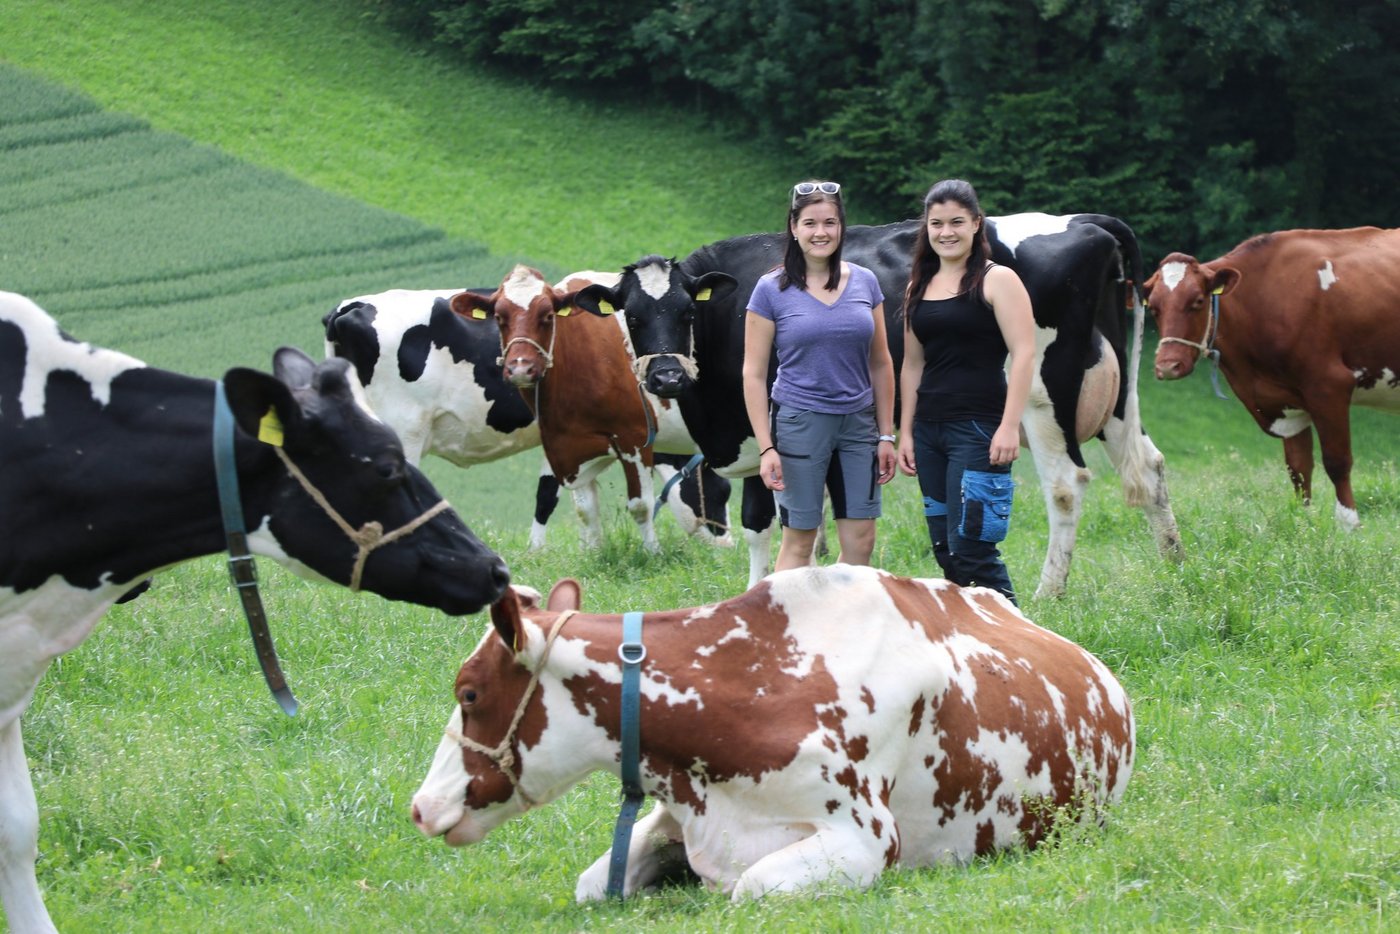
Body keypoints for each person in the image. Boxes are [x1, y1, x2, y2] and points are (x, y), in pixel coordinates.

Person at [742, 180, 897, 573]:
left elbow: (881, 362)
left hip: (858, 425)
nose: (820, 232)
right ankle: (787, 613)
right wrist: (766, 448)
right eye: (810, 223)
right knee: (800, 541)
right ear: (794, 228)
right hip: (800, 423)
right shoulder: (770, 289)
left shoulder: (865, 281)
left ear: (841, 227)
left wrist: (886, 434)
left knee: (861, 540)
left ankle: (842, 613)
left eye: (830, 222)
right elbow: (753, 373)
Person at [896, 179, 1035, 603]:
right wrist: (906, 433)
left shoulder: (998, 280)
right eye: (936, 223)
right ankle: (974, 639)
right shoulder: (918, 285)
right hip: (929, 432)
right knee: (946, 552)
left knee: (973, 550)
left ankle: (1017, 635)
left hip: (978, 431)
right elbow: (913, 364)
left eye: (957, 222)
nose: (946, 232)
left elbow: (1024, 354)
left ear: (976, 224)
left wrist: (1009, 427)